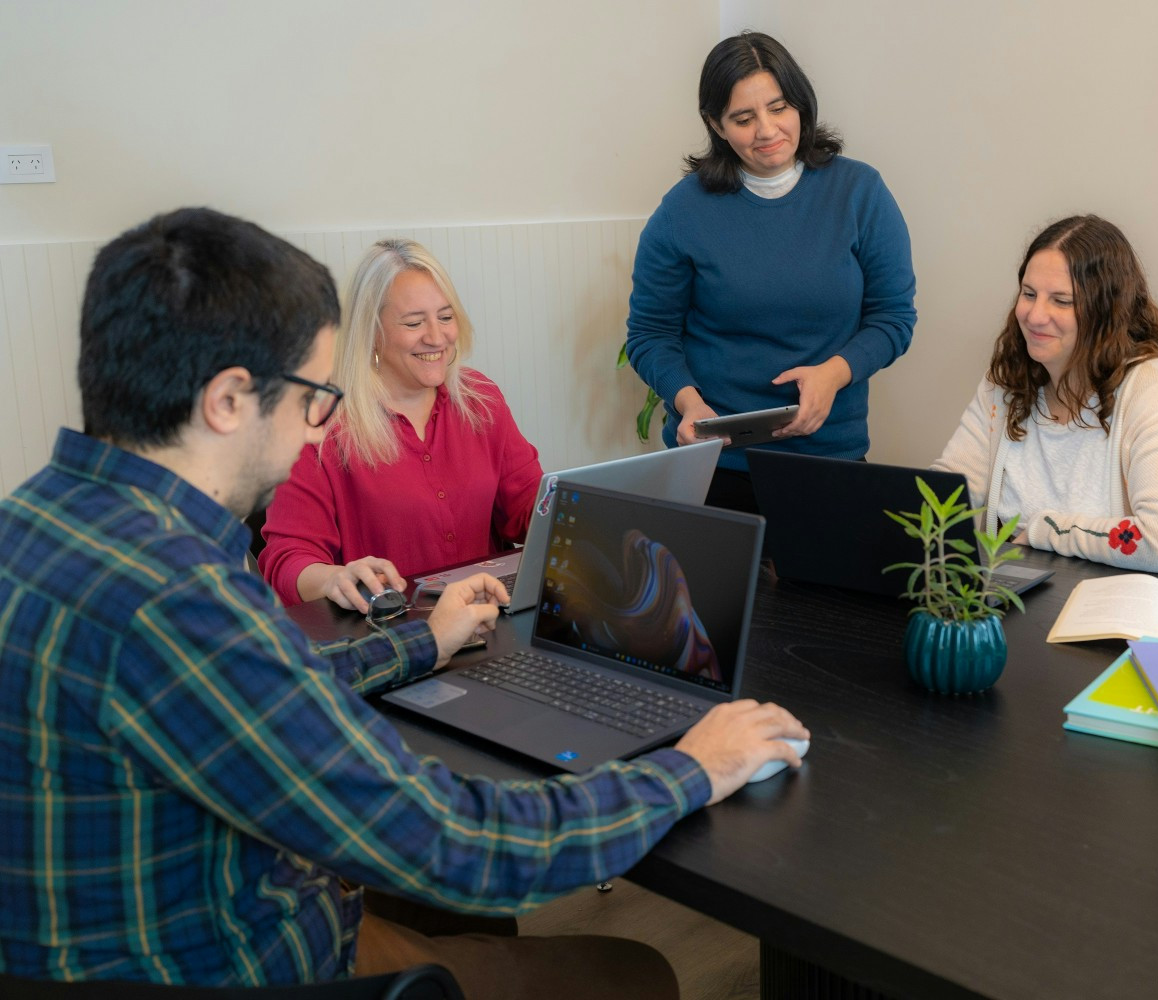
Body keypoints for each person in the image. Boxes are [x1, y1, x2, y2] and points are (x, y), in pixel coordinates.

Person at [0, 208, 808, 997]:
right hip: (247, 957)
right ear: (227, 401)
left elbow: (271, 682)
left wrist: (423, 643)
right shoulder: (178, 598)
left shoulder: (35, 523)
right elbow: (461, 846)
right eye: (313, 396)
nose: (320, 427)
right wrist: (690, 767)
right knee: (640, 974)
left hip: (113, 939)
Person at [625, 30, 917, 513]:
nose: (766, 130)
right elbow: (650, 335)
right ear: (716, 125)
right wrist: (686, 402)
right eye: (743, 118)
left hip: (828, 459)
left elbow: (892, 319)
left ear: (801, 105)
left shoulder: (860, 192)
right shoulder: (683, 211)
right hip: (713, 463)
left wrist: (833, 375)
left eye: (779, 108)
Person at [933, 215, 1158, 578]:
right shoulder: (1008, 380)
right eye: (1029, 294)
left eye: (1061, 300)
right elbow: (949, 493)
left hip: (1157, 613)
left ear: (1105, 312)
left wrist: (1048, 531)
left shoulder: (1156, 387)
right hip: (1042, 602)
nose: (1035, 315)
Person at [259, 238, 543, 609]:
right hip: (390, 636)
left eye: (445, 317)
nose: (437, 337)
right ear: (372, 331)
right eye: (414, 322)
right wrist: (333, 578)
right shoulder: (321, 424)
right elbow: (287, 561)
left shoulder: (480, 398)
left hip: (486, 617)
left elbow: (529, 510)